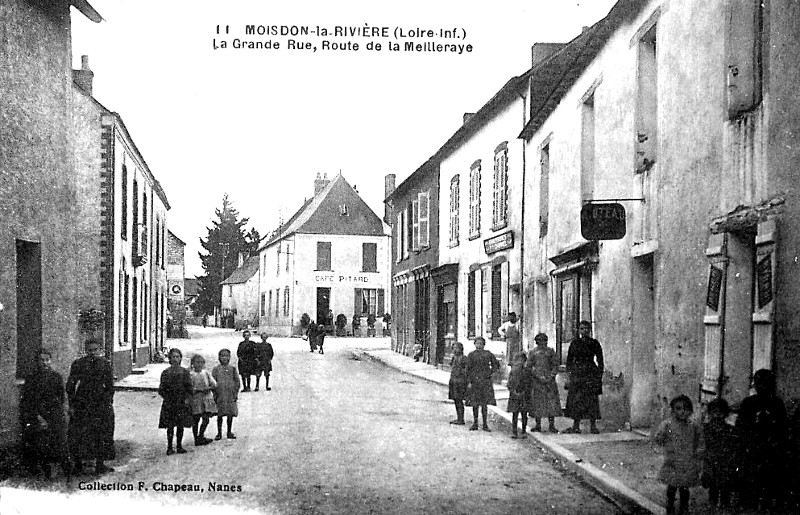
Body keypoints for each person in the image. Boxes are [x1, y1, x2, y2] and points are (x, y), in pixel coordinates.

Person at [735, 368, 789, 511]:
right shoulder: (748, 403)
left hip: (770, 446)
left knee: (769, 475)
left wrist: (774, 441)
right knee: (750, 474)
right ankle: (749, 500)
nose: (763, 386)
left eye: (767, 383)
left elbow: (783, 426)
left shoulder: (777, 403)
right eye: (759, 383)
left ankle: (767, 501)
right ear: (755, 384)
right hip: (752, 446)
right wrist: (749, 442)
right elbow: (741, 425)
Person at [66, 339, 115, 474]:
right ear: (85, 350)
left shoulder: (105, 364)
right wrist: (71, 405)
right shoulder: (78, 364)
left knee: (102, 433)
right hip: (82, 402)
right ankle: (77, 465)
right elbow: (70, 386)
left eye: (95, 350)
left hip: (100, 402)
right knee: (79, 434)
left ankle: (100, 464)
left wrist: (109, 401)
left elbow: (110, 385)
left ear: (100, 350)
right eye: (90, 350)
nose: (92, 353)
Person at [20, 350, 70, 480]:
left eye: (47, 359)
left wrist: (62, 410)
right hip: (39, 413)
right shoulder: (32, 378)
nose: (45, 362)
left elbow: (61, 396)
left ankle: (63, 468)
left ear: (51, 361)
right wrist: (38, 417)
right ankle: (46, 469)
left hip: (55, 413)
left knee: (60, 440)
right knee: (42, 443)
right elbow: (28, 401)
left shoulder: (56, 376)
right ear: (37, 362)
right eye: (42, 360)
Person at [652, 395, 702, 515]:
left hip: (687, 461)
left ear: (690, 410)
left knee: (685, 487)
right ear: (673, 410)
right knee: (672, 485)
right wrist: (662, 444)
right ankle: (670, 504)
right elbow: (659, 437)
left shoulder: (693, 426)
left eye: (686, 409)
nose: (682, 412)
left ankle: (684, 507)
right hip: (672, 460)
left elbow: (698, 440)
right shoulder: (667, 425)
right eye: (678, 408)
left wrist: (698, 454)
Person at [563, 321, 604, 434]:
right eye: (582, 328)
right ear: (579, 330)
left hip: (590, 372)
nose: (584, 331)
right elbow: (569, 360)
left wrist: (599, 374)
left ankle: (593, 426)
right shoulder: (575, 343)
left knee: (592, 400)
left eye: (586, 328)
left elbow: (600, 359)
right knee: (577, 400)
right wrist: (569, 375)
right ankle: (576, 426)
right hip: (578, 373)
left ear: (590, 330)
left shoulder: (594, 343)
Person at [701, 397, 739, 510]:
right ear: (710, 413)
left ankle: (723, 508)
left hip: (725, 464)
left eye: (720, 412)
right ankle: (712, 507)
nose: (717, 415)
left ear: (726, 414)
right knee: (713, 488)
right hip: (711, 462)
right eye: (714, 412)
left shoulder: (730, 430)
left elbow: (733, 446)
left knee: (725, 489)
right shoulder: (706, 429)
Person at [158, 348, 193, 455]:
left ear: (180, 359)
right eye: (173, 357)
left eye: (177, 357)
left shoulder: (184, 372)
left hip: (181, 402)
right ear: (169, 358)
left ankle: (179, 445)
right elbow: (161, 389)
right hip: (170, 402)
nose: (175, 359)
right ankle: (169, 447)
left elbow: (189, 388)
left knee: (180, 425)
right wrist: (167, 397)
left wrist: (187, 399)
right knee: (170, 426)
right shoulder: (166, 373)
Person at [527, 333, 562, 433]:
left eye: (544, 341)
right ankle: (538, 425)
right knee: (537, 403)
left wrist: (551, 375)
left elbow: (555, 365)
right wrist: (537, 375)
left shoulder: (550, 352)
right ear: (537, 342)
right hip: (537, 381)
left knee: (551, 403)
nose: (542, 343)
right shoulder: (533, 352)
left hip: (549, 381)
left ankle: (552, 425)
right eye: (540, 341)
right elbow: (529, 366)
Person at [465, 337, 501, 431]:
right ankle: (475, 423)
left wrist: (491, 373)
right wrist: (469, 382)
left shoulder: (488, 354)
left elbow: (496, 364)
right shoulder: (471, 355)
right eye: (477, 343)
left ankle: (485, 424)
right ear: (474, 344)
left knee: (484, 404)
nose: (479, 345)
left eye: (481, 344)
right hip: (475, 381)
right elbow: (467, 369)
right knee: (475, 403)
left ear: (484, 345)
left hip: (485, 381)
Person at [189, 354, 217, 446]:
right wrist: (197, 390)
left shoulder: (206, 373)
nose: (199, 364)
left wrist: (208, 388)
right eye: (197, 362)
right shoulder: (191, 375)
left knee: (206, 419)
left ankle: (201, 435)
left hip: (206, 399)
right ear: (192, 363)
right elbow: (189, 388)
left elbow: (214, 384)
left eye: (201, 362)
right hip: (196, 400)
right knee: (195, 420)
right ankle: (196, 438)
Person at [212, 349, 239, 440]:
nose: (224, 358)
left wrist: (235, 392)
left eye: (226, 356)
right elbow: (212, 382)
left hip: (230, 395)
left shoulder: (232, 369)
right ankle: (219, 433)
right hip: (220, 395)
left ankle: (229, 431)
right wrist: (214, 394)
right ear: (219, 357)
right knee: (220, 414)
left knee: (230, 414)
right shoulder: (216, 369)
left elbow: (237, 381)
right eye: (222, 356)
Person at [506, 352, 531, 439]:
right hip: (514, 395)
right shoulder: (513, 371)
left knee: (524, 414)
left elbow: (529, 383)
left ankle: (524, 431)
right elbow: (509, 383)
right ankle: (514, 432)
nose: (520, 362)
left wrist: (525, 392)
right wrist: (513, 391)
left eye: (522, 360)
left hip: (524, 394)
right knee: (515, 414)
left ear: (524, 361)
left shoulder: (527, 371)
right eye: (518, 360)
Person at [447, 342, 467, 425]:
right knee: (456, 399)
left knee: (459, 400)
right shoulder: (454, 358)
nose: (455, 350)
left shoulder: (464, 358)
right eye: (454, 348)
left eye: (457, 348)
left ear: (461, 349)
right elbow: (452, 366)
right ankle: (459, 418)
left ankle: (461, 419)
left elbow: (466, 370)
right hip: (453, 381)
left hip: (460, 382)